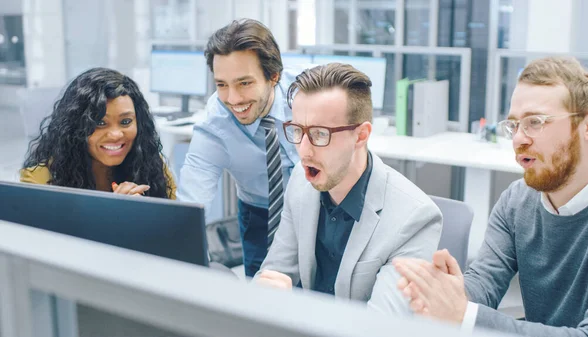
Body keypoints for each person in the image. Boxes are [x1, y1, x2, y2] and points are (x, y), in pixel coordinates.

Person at [394, 57, 588, 336]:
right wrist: (452, 293)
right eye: (514, 125)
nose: (518, 139)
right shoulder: (517, 202)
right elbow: (484, 282)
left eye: (535, 122)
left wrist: (464, 314)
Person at [255, 63, 442, 313]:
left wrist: (293, 311)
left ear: (361, 135)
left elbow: (380, 327)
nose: (303, 150)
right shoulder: (301, 180)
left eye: (320, 134)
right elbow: (273, 272)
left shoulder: (415, 218)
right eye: (298, 130)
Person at [177, 19, 300, 277]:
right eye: (222, 85)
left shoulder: (308, 94)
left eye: (244, 83)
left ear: (273, 76)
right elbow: (190, 209)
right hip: (261, 213)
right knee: (262, 296)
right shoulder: (215, 126)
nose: (233, 99)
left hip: (322, 209)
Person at [21, 67, 176, 199]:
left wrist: (146, 214)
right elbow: (41, 234)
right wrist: (113, 214)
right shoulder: (39, 179)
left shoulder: (150, 163)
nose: (115, 135)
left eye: (126, 122)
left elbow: (176, 224)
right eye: (100, 123)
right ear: (75, 127)